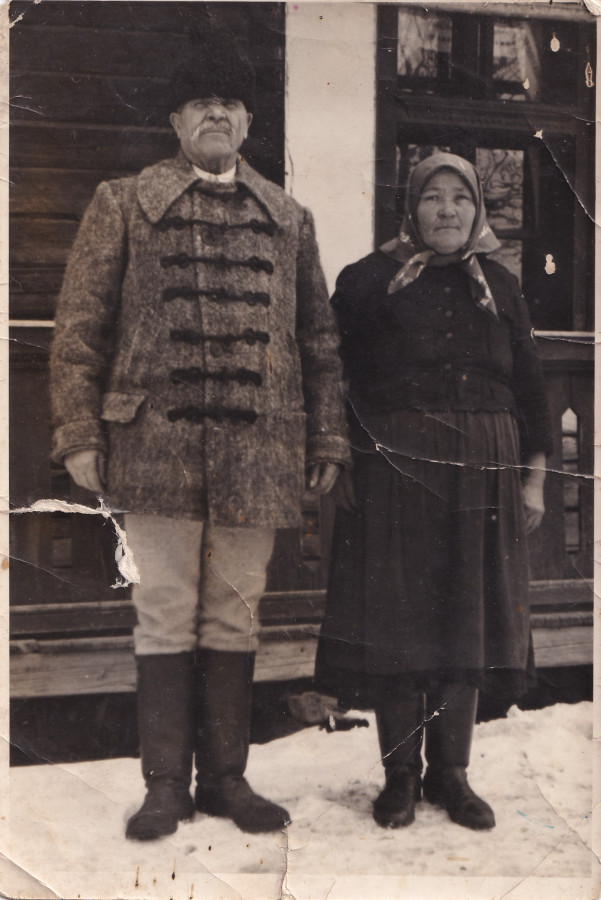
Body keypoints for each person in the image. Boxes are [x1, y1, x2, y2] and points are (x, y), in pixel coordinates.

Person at [49, 32, 349, 841]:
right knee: (164, 612)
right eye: (199, 102)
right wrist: (79, 433)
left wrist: (326, 437)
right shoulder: (122, 203)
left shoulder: (289, 218)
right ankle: (163, 787)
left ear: (247, 122)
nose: (216, 113)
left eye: (229, 103)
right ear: (175, 121)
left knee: (234, 615)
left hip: (258, 453)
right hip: (153, 448)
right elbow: (80, 329)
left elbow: (318, 341)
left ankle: (225, 780)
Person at [315, 152, 552, 832]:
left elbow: (529, 386)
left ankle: (452, 774)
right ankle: (400, 776)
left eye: (461, 198)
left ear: (477, 210)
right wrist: (338, 456)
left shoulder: (499, 284)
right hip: (396, 468)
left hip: (484, 466)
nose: (447, 210)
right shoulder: (367, 280)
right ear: (410, 207)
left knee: (466, 616)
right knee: (399, 617)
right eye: (432, 197)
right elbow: (330, 376)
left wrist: (534, 476)